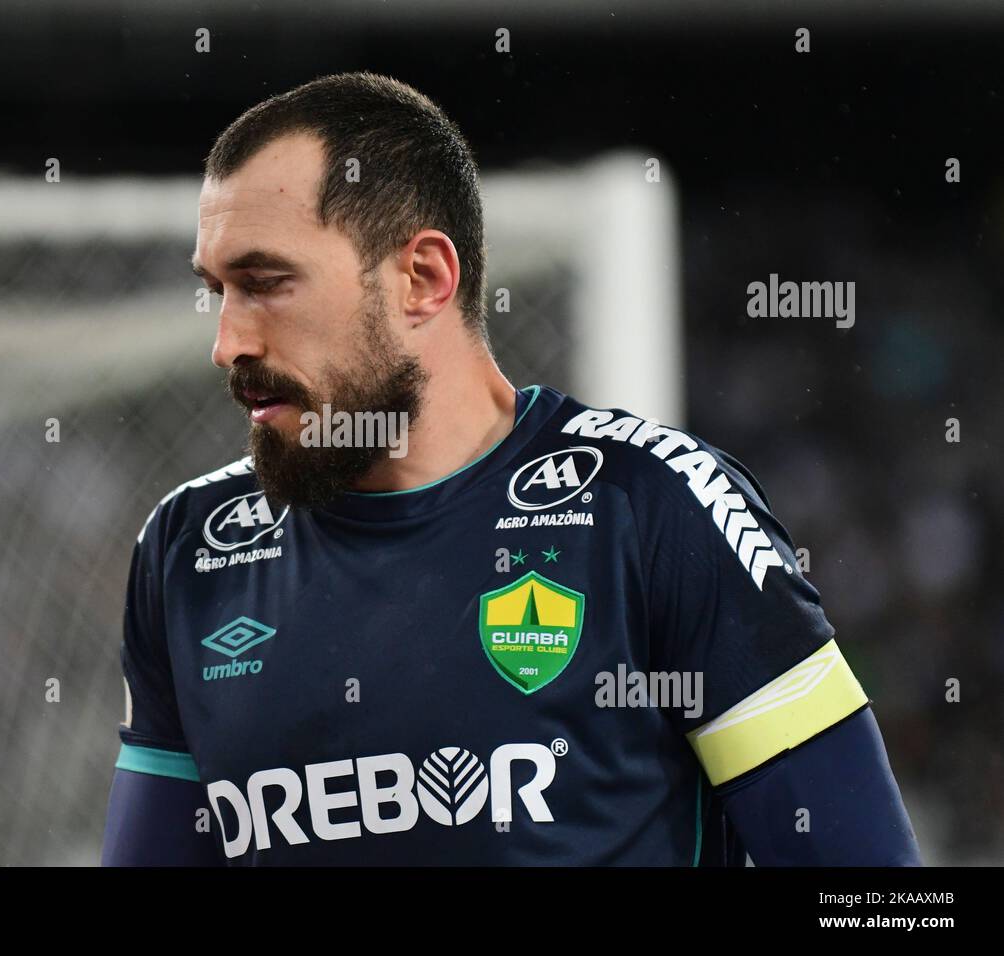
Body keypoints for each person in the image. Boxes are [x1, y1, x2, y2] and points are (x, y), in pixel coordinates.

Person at [101, 72, 920, 866]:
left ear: (423, 278)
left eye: (266, 283)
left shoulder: (655, 509)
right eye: (218, 290)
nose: (227, 343)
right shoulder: (191, 552)